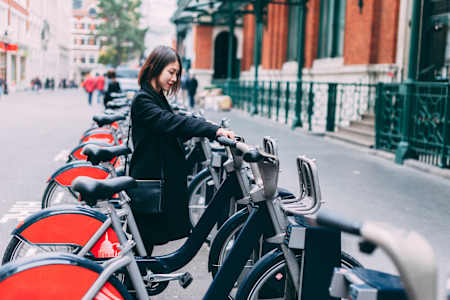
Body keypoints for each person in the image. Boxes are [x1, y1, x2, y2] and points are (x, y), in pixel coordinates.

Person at [129, 45, 234, 252]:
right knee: (141, 245)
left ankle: (137, 281)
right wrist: (214, 130)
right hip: (150, 182)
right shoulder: (143, 99)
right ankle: (131, 283)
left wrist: (196, 128)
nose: (175, 79)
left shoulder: (156, 96)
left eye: (177, 74)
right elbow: (170, 122)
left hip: (155, 179)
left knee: (142, 246)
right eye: (171, 72)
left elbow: (171, 127)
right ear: (155, 67)